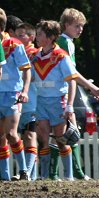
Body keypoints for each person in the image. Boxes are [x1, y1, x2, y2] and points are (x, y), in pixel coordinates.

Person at [33, 19, 99, 180]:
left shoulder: (60, 56)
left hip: (58, 101)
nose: (36, 37)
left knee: (61, 139)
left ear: (50, 37)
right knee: (43, 138)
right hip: (40, 101)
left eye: (40, 34)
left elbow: (72, 80)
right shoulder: (35, 56)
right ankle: (45, 176)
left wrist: (70, 106)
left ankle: (69, 176)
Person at [49, 7, 90, 181]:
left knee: (67, 132)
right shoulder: (64, 42)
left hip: (64, 91)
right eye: (77, 26)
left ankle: (68, 172)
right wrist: (90, 86)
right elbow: (71, 73)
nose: (80, 29)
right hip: (61, 93)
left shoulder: (69, 42)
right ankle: (64, 173)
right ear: (66, 25)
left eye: (81, 26)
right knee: (66, 132)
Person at [0, 8, 31, 181]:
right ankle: (4, 176)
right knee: (0, 137)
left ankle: (24, 170)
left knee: (11, 134)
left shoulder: (14, 45)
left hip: (12, 93)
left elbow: (27, 70)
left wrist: (25, 91)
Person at [14, 22, 39, 181]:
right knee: (18, 137)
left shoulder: (36, 54)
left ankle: (27, 173)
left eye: (21, 35)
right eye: (16, 35)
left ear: (32, 37)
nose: (17, 38)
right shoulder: (13, 52)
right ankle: (31, 174)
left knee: (30, 136)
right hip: (16, 102)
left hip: (32, 102)